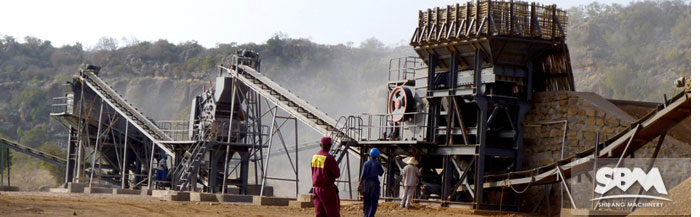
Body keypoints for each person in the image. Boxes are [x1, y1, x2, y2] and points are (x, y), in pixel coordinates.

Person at [311, 137, 341, 217]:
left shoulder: (314, 157)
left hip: (316, 189)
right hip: (327, 189)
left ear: (320, 145)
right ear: (330, 146)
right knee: (333, 213)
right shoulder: (329, 158)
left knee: (319, 214)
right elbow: (337, 174)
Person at [360, 148, 383, 217]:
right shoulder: (377, 163)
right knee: (373, 201)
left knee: (366, 201)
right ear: (377, 156)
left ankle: (365, 215)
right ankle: (370, 215)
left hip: (366, 184)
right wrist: (379, 163)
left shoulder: (366, 163)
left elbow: (362, 175)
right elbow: (381, 173)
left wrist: (360, 184)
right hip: (375, 184)